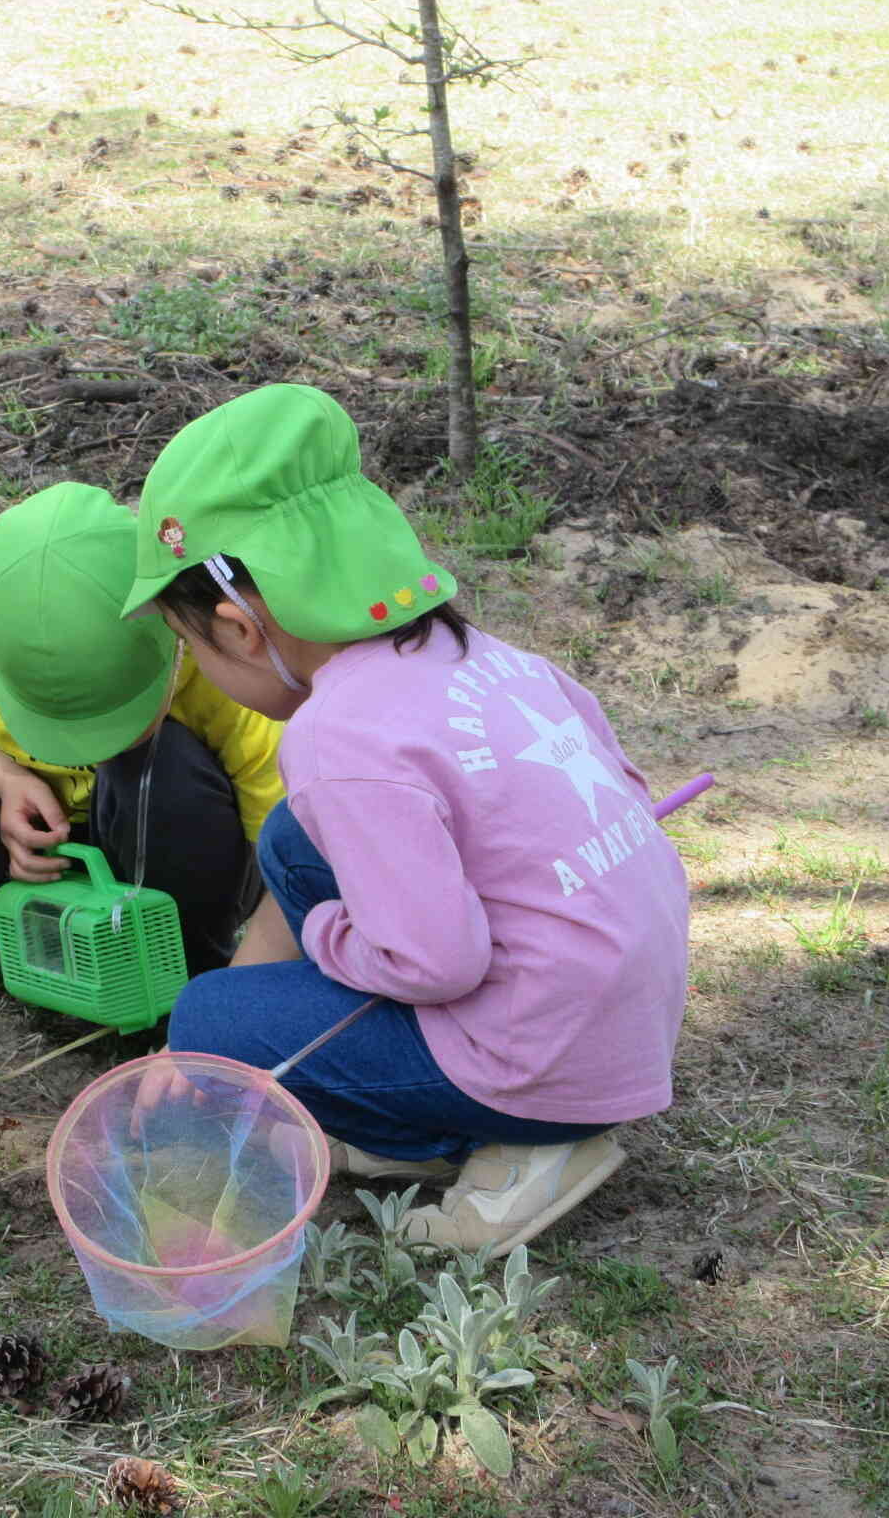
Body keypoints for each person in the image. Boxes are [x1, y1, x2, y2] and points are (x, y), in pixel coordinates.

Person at [124, 385, 689, 1257]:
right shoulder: (490, 657)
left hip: (543, 1053)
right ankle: (447, 1112)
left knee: (213, 1022)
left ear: (237, 628)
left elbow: (437, 961)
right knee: (294, 841)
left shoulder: (337, 736)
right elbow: (617, 782)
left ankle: (518, 1144)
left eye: (188, 643)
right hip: (621, 1001)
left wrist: (327, 935)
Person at [0, 481, 284, 1008]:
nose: (79, 746)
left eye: (109, 717)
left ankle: (182, 969)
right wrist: (7, 777)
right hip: (46, 850)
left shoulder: (222, 675)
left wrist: (243, 983)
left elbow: (281, 842)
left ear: (168, 632)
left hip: (176, 855)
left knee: (158, 763)